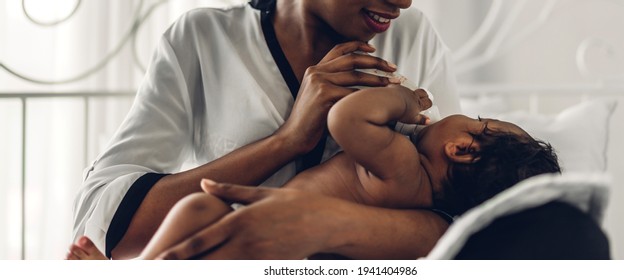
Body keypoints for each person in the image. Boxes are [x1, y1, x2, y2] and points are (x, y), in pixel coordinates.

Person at [72, 0, 464, 260]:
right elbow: (108, 228)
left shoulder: (414, 36)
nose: (404, 1)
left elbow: (468, 212)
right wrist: (287, 140)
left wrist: (328, 225)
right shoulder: (203, 39)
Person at [67, 84, 560, 260]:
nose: (463, 115)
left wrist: (403, 101)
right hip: (300, 252)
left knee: (199, 206)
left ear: (461, 148)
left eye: (475, 120)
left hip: (259, 226)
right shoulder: (424, 200)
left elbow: (346, 119)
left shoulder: (404, 165)